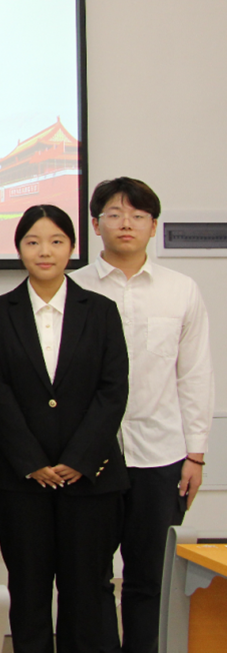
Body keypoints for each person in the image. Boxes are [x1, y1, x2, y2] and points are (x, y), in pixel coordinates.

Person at [70, 178, 213, 653]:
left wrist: (195, 455)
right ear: (95, 225)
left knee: (149, 578)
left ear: (154, 226)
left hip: (161, 455)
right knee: (88, 576)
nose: (125, 223)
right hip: (91, 457)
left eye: (137, 215)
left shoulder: (181, 290)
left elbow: (194, 375)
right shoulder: (73, 288)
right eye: (114, 214)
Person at [0, 205, 129, 653]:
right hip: (20, 478)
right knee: (28, 587)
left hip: (91, 477)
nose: (45, 251)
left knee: (88, 588)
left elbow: (112, 390)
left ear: (72, 248)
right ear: (19, 248)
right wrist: (32, 462)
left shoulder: (101, 311)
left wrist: (79, 459)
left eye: (56, 241)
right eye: (33, 242)